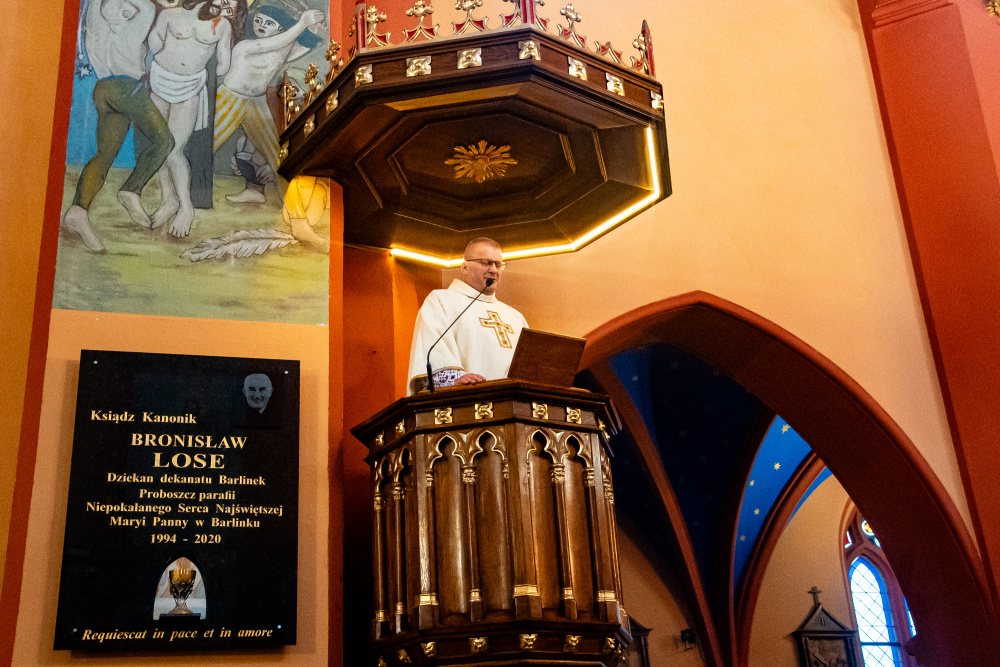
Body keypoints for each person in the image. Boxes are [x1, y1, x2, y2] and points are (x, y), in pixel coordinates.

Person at [62, 0, 175, 251]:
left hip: (103, 89)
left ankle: (77, 210)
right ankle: (131, 190)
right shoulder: (142, 14)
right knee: (164, 140)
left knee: (103, 156)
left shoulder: (95, 18)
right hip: (127, 87)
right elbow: (150, 8)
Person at [213, 5, 324, 203]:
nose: (261, 25)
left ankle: (293, 208)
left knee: (277, 156)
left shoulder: (282, 47)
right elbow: (271, 45)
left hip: (256, 103)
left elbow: (302, 46)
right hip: (230, 98)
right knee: (208, 144)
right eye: (258, 20)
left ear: (281, 28)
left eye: (269, 23)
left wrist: (314, 30)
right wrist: (303, 23)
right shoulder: (245, 45)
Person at [147, 0, 234, 237]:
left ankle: (186, 208)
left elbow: (223, 62)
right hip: (160, 79)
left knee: (175, 149)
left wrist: (203, 69)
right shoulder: (169, 15)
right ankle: (168, 200)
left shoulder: (222, 25)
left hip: (190, 86)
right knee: (160, 146)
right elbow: (154, 41)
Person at [406, 238, 528, 394]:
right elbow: (432, 352)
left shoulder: (515, 317)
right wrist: (454, 378)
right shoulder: (441, 301)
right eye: (486, 263)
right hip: (467, 401)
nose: (493, 270)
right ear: (465, 268)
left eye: (498, 265)